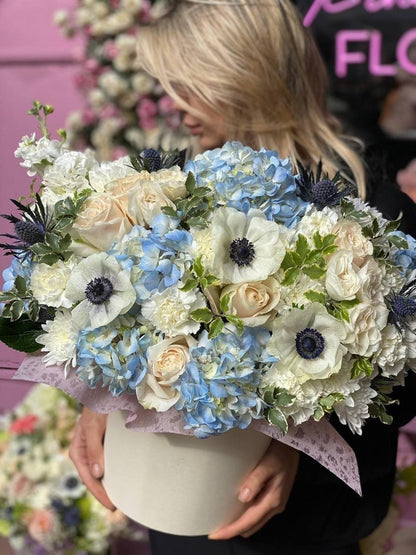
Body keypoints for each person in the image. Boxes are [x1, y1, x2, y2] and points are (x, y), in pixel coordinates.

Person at [69, 1, 416, 554]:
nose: (179, 107)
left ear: (248, 75)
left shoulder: (375, 210)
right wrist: (97, 401)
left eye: (196, 85)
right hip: (174, 507)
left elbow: (403, 379)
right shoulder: (170, 188)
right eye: (172, 85)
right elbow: (122, 326)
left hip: (302, 530)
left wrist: (296, 444)